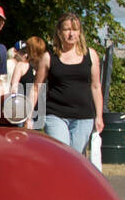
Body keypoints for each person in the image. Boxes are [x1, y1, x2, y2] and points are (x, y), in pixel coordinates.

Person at [30, 12, 102, 154]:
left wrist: (99, 116)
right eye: (67, 29)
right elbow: (36, 88)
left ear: (80, 32)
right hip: (56, 115)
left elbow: (96, 86)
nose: (71, 34)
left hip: (84, 117)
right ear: (59, 32)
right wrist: (28, 116)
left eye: (75, 30)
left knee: (76, 158)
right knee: (62, 154)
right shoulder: (48, 57)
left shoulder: (91, 55)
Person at [0, 36, 46, 128]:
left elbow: (13, 87)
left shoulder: (22, 66)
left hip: (23, 111)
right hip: (32, 112)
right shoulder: (43, 69)